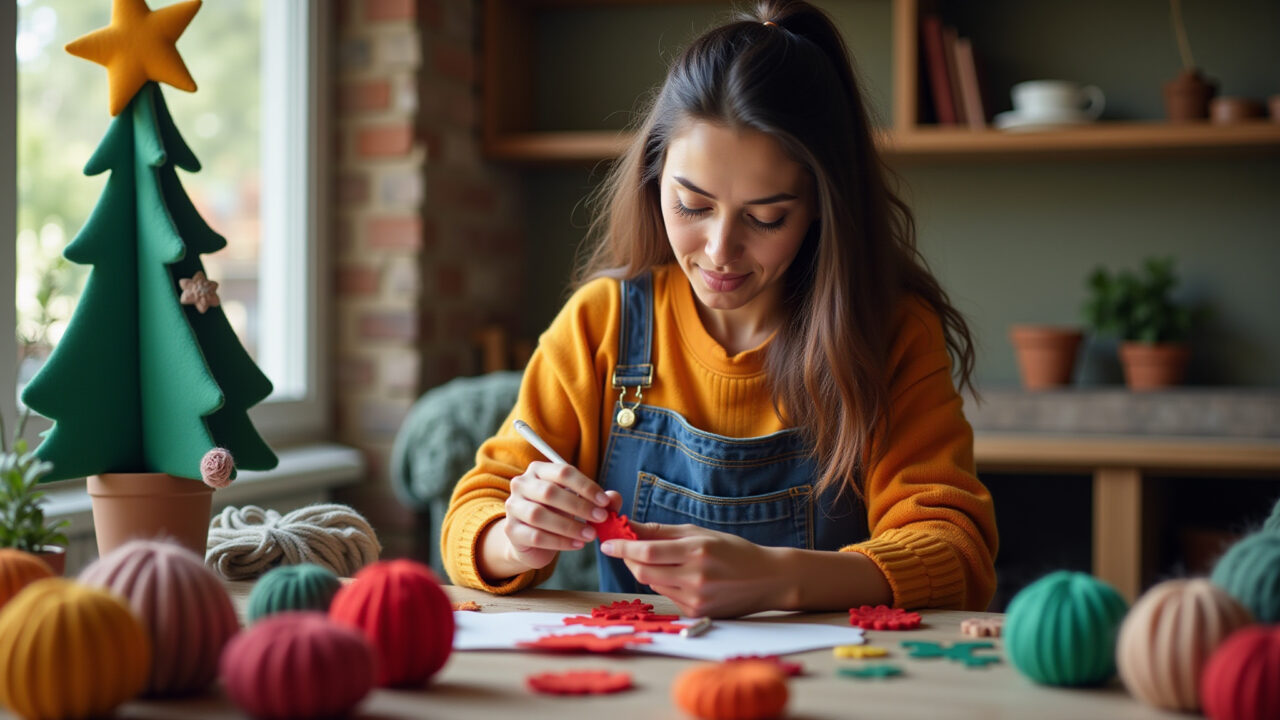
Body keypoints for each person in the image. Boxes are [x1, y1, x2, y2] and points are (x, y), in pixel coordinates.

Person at [442, 0, 997, 618]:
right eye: (692, 206)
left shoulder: (890, 334)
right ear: (655, 180)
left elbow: (957, 553)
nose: (720, 251)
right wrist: (513, 539)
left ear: (822, 207)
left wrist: (784, 579)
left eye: (766, 217)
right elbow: (472, 514)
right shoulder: (603, 323)